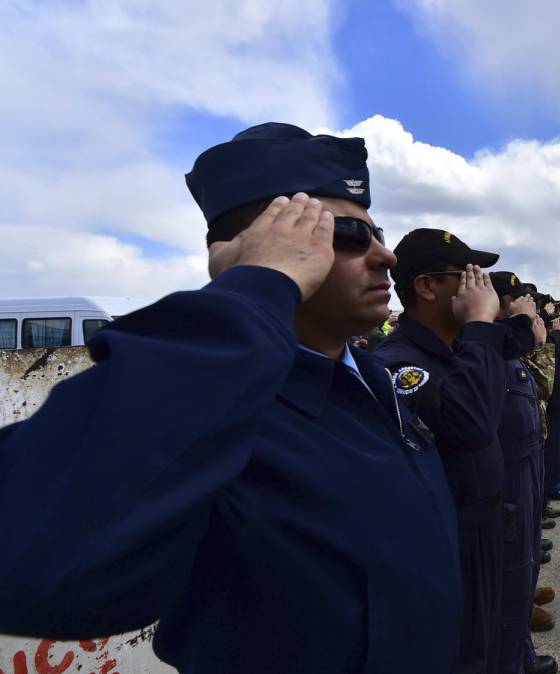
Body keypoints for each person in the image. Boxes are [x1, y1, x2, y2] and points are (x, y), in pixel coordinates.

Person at [0, 123, 462, 673]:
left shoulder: (373, 380)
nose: (385, 256)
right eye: (347, 235)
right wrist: (256, 287)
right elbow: (29, 551)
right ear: (270, 249)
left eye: (377, 231)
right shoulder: (219, 413)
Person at [374, 229, 530, 674]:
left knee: (489, 644)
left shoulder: (458, 349)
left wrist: (491, 326)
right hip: (451, 544)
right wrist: (481, 325)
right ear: (426, 287)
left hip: (485, 526)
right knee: (465, 657)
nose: (481, 287)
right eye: (467, 276)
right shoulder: (400, 362)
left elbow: (520, 342)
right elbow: (471, 425)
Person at [488, 272, 559, 674]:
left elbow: (541, 392)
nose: (528, 306)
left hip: (530, 453)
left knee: (526, 552)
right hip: (509, 469)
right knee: (510, 563)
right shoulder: (489, 347)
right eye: (516, 298)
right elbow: (544, 385)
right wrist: (531, 337)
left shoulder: (507, 347)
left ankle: (522, 646)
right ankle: (517, 656)